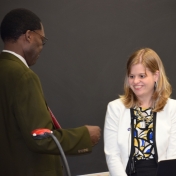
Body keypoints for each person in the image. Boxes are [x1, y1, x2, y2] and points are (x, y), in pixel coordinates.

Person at [0, 8, 101, 176]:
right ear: (29, 35)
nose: (41, 47)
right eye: (42, 39)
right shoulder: (24, 76)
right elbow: (40, 138)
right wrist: (84, 136)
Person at [104, 48, 176, 176]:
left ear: (156, 76)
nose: (135, 81)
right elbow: (112, 156)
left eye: (142, 76)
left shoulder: (172, 108)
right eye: (131, 76)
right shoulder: (115, 108)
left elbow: (173, 156)